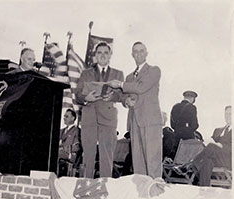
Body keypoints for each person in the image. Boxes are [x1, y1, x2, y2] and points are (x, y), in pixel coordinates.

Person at [107, 41, 163, 178]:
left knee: (152, 160)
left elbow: (141, 87)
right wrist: (125, 100)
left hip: (150, 121)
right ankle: (142, 193)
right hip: (134, 122)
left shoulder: (154, 70)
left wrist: (120, 84)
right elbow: (123, 96)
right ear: (132, 55)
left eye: (141, 51)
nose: (139, 54)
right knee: (138, 162)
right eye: (136, 51)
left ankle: (155, 192)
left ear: (146, 53)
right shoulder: (129, 77)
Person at [75, 42, 124, 178]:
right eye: (99, 52)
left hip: (108, 119)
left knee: (107, 156)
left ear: (110, 55)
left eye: (105, 53)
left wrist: (113, 96)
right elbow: (78, 95)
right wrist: (86, 98)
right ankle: (85, 187)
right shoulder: (85, 74)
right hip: (89, 117)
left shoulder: (118, 74)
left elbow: (122, 95)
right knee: (88, 156)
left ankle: (105, 188)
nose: (102, 55)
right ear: (95, 56)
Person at [175, 106, 232, 186]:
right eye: (226, 114)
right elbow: (210, 142)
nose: (227, 116)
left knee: (212, 147)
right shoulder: (218, 130)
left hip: (227, 159)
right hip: (214, 157)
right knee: (207, 162)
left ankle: (190, 165)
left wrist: (220, 145)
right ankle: (204, 189)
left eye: (230, 114)